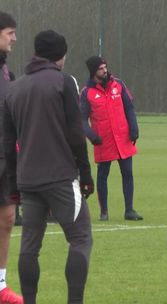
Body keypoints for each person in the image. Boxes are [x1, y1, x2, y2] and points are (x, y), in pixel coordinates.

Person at [3, 30, 94, 304]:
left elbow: (7, 143)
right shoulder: (64, 82)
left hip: (27, 180)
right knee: (80, 238)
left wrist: (14, 182)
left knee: (30, 245)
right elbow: (76, 133)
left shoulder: (13, 88)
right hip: (60, 177)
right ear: (60, 55)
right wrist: (86, 172)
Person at [80, 56, 142, 221]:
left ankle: (129, 210)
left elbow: (129, 107)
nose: (105, 70)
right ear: (94, 72)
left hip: (123, 138)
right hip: (103, 141)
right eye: (101, 68)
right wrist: (92, 136)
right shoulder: (87, 93)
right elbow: (81, 120)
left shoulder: (119, 85)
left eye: (105, 67)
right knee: (102, 175)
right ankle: (104, 212)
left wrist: (134, 128)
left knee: (128, 173)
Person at [0, 10, 22, 304]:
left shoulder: (7, 71)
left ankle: (0, 285)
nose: (15, 38)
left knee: (7, 218)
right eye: (9, 33)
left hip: (6, 155)